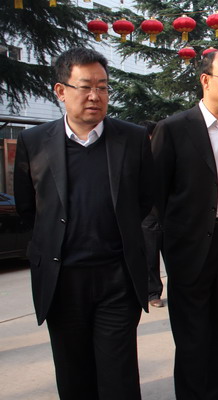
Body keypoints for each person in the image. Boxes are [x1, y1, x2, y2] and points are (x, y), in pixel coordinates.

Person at [13, 47, 154, 399]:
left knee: (119, 377)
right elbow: (28, 207)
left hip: (117, 278)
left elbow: (144, 199)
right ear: (61, 91)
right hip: (62, 280)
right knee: (73, 375)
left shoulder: (132, 138)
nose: (95, 96)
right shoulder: (34, 141)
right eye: (86, 86)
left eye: (103, 87)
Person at [152, 51, 218, 399]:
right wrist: (170, 248)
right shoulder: (173, 129)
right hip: (190, 248)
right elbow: (156, 198)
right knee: (192, 336)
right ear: (206, 80)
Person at [139, 120, 165, 308]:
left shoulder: (165, 153)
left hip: (169, 213)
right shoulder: (137, 156)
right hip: (148, 214)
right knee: (149, 255)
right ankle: (153, 292)